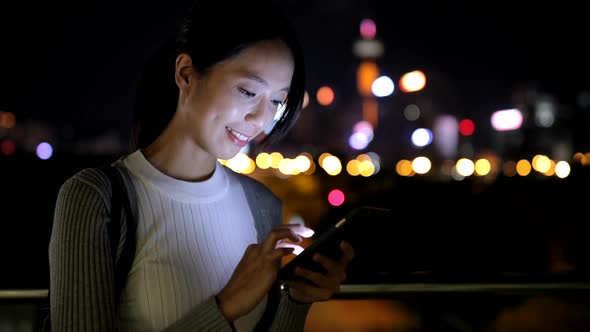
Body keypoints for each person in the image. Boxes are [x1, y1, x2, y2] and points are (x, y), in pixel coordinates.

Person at [48, 1, 354, 331]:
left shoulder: (262, 204)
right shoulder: (97, 197)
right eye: (248, 91)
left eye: (277, 101)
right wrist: (226, 306)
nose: (261, 119)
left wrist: (296, 298)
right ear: (186, 74)